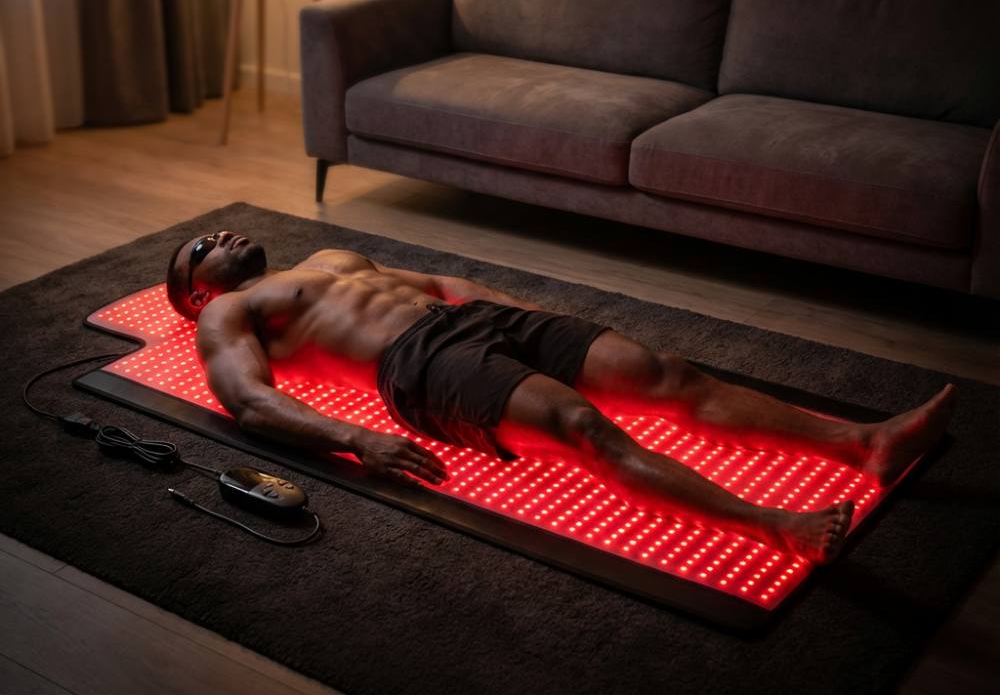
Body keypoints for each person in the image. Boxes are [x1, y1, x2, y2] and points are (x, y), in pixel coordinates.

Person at [166, 230, 955, 564]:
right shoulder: (234, 316)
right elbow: (249, 400)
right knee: (585, 428)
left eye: (219, 233)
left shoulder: (331, 253)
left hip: (475, 318)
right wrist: (356, 438)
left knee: (671, 375)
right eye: (203, 251)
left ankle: (864, 443)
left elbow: (441, 283)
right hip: (419, 365)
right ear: (198, 299)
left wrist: (528, 322)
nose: (224, 241)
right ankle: (779, 528)